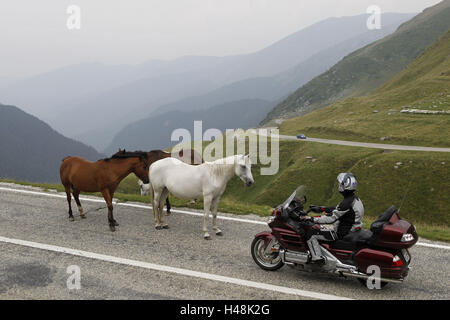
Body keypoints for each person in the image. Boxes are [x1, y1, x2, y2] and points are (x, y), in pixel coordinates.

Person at [301, 172, 364, 263]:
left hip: (340, 232)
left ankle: (317, 258)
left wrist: (311, 218)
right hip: (352, 229)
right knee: (320, 228)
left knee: (311, 233)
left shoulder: (346, 203)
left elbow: (331, 219)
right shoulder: (354, 199)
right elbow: (339, 210)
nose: (339, 185)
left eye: (340, 184)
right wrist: (322, 208)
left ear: (344, 186)